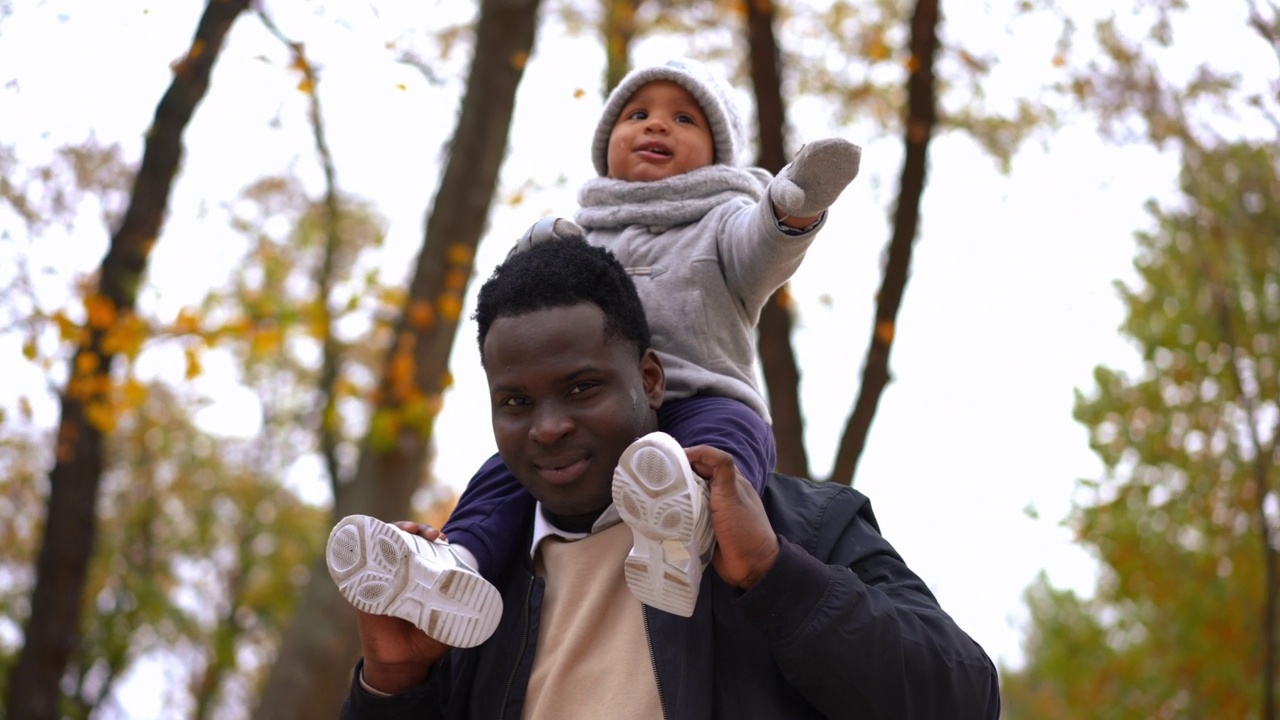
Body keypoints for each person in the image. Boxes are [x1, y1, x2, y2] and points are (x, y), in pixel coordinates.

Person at [337, 237, 1000, 719]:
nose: (547, 428)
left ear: (650, 379)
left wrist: (775, 579)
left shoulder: (795, 526)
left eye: (581, 387)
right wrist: (393, 684)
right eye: (516, 403)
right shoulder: (462, 596)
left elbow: (964, 699)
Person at [413, 56, 862, 629]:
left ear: (717, 153)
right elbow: (535, 296)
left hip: (699, 397)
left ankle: (685, 529)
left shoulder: (722, 221)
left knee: (732, 439)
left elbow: (762, 247)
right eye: (638, 114)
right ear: (608, 143)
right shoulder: (590, 230)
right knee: (505, 472)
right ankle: (453, 566)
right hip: (593, 409)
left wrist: (789, 208)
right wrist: (538, 255)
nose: (656, 126)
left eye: (683, 119)